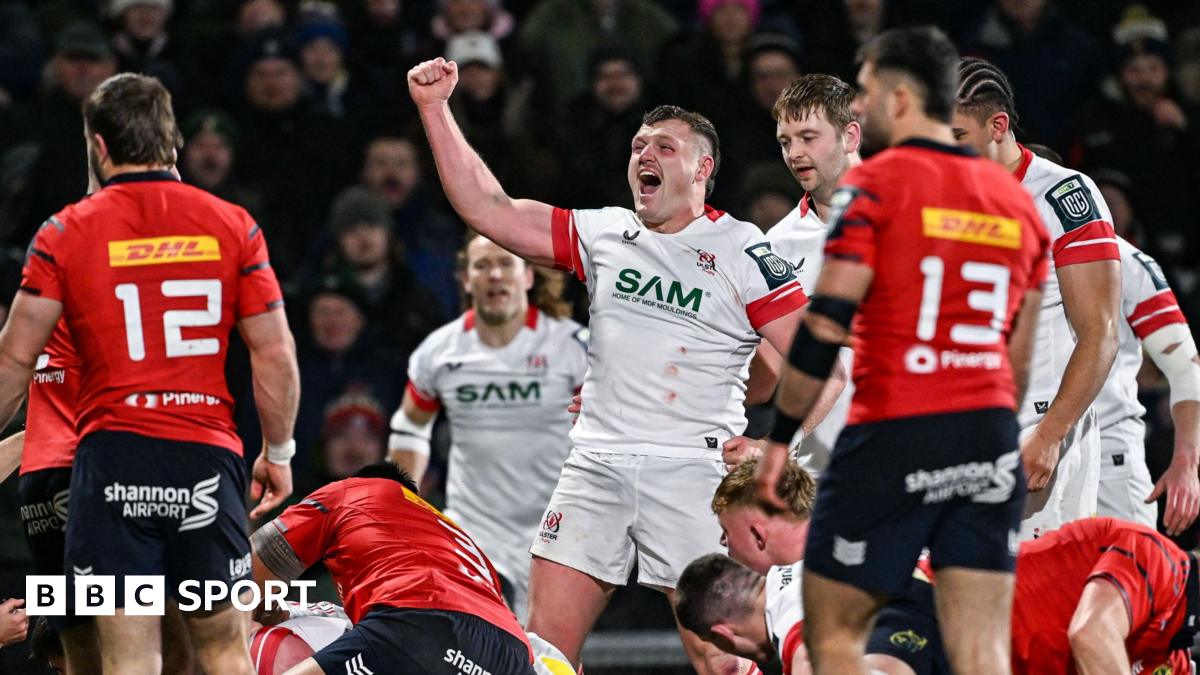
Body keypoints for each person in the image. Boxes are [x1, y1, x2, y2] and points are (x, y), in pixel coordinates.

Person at [409, 56, 810, 674]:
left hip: (691, 473)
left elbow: (820, 358)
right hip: (594, 463)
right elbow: (490, 208)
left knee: (724, 662)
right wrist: (436, 110)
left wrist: (776, 442)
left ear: (703, 168)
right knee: (538, 656)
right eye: (638, 144)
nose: (644, 153)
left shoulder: (742, 248)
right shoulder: (606, 233)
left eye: (665, 146)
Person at [759, 28, 1049, 675]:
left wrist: (779, 438)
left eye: (865, 92)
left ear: (897, 97)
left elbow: (826, 327)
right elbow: (1020, 354)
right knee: (982, 650)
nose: (860, 106)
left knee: (833, 638)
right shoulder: (1013, 198)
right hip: (985, 441)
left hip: (890, 442)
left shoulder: (880, 187)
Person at [0, 73, 300, 674]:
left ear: (100, 148)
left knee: (128, 660)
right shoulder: (234, 224)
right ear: (175, 142)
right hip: (205, 460)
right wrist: (280, 449)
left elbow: (14, 356)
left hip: (112, 464)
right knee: (221, 649)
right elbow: (274, 353)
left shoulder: (64, 232)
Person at [951, 57, 1124, 540]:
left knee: (1045, 604)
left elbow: (1101, 332)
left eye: (958, 138)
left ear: (997, 126)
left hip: (1038, 432)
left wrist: (1050, 437)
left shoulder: (1062, 195)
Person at [389, 233, 587, 620]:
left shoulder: (574, 348)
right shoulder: (440, 351)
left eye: (505, 264)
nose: (494, 274)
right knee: (480, 647)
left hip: (559, 532)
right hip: (472, 533)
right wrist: (402, 506)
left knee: (552, 655)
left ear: (528, 276)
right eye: (482, 265)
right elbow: (409, 428)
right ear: (465, 279)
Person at [250, 462, 535, 674]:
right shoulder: (459, 539)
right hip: (514, 657)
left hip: (420, 628)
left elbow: (250, 567)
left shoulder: (354, 491)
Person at [697, 459, 947, 675]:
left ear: (758, 535)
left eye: (726, 531)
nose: (723, 542)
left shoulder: (794, 583)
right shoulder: (875, 518)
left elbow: (809, 660)